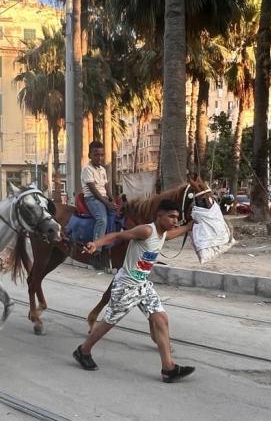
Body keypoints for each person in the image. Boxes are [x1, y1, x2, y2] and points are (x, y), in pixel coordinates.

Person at [73, 199, 196, 383]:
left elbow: (173, 234)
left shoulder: (163, 234)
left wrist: (187, 228)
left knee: (161, 319)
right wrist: (96, 244)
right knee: (108, 322)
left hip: (143, 285)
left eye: (177, 217)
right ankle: (83, 351)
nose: (174, 221)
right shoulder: (146, 231)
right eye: (171, 216)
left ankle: (168, 368)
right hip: (126, 285)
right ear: (159, 215)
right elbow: (116, 236)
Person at [81, 141, 115, 267]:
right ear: (90, 155)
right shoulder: (87, 169)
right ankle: (95, 251)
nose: (99, 157)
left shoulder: (102, 169)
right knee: (102, 220)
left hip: (103, 197)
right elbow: (94, 190)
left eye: (101, 155)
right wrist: (106, 203)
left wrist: (112, 200)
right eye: (96, 155)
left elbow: (106, 186)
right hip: (92, 198)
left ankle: (110, 246)